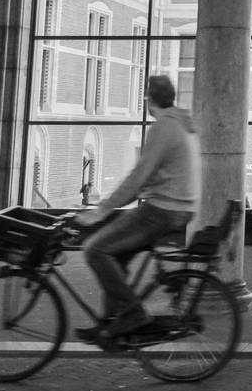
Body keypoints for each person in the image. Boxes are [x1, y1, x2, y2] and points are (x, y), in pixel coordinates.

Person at [74, 75, 199, 340]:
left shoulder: (164, 127)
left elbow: (138, 176)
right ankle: (111, 323)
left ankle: (132, 314)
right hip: (178, 208)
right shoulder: (181, 126)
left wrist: (101, 211)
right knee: (115, 254)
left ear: (148, 100)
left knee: (95, 249)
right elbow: (156, 175)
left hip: (162, 210)